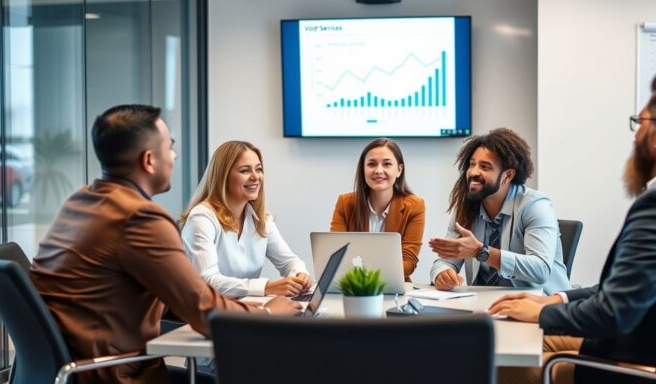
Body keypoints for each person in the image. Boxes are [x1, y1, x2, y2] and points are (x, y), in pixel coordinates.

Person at [489, 73, 656, 384]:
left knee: (502, 362)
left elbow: (613, 314)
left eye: (639, 123)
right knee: (527, 335)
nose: (635, 135)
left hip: (645, 372)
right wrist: (555, 300)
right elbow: (627, 289)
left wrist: (540, 314)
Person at [30, 105, 302, 384]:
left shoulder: (80, 201)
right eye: (170, 147)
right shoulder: (140, 218)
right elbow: (203, 309)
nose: (174, 156)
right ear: (149, 160)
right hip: (114, 374)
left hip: (72, 369)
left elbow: (175, 296)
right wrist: (268, 312)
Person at [429, 128, 570, 294]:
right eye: (472, 164)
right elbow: (446, 261)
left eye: (485, 167)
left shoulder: (535, 205)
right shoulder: (466, 206)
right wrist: (441, 274)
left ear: (508, 176)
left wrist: (481, 252)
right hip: (485, 305)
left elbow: (540, 269)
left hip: (541, 306)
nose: (474, 172)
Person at [180, 141, 312, 297]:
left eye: (259, 169)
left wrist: (300, 276)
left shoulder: (260, 218)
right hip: (207, 314)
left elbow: (289, 262)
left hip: (244, 309)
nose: (255, 177)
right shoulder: (202, 218)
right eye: (245, 171)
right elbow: (206, 280)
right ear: (223, 176)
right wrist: (266, 287)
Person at [331, 138, 425, 281]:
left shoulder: (415, 206)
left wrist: (363, 267)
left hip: (392, 286)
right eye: (371, 164)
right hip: (352, 285)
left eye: (387, 164)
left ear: (399, 170)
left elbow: (408, 263)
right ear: (363, 170)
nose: (378, 170)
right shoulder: (345, 203)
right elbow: (336, 255)